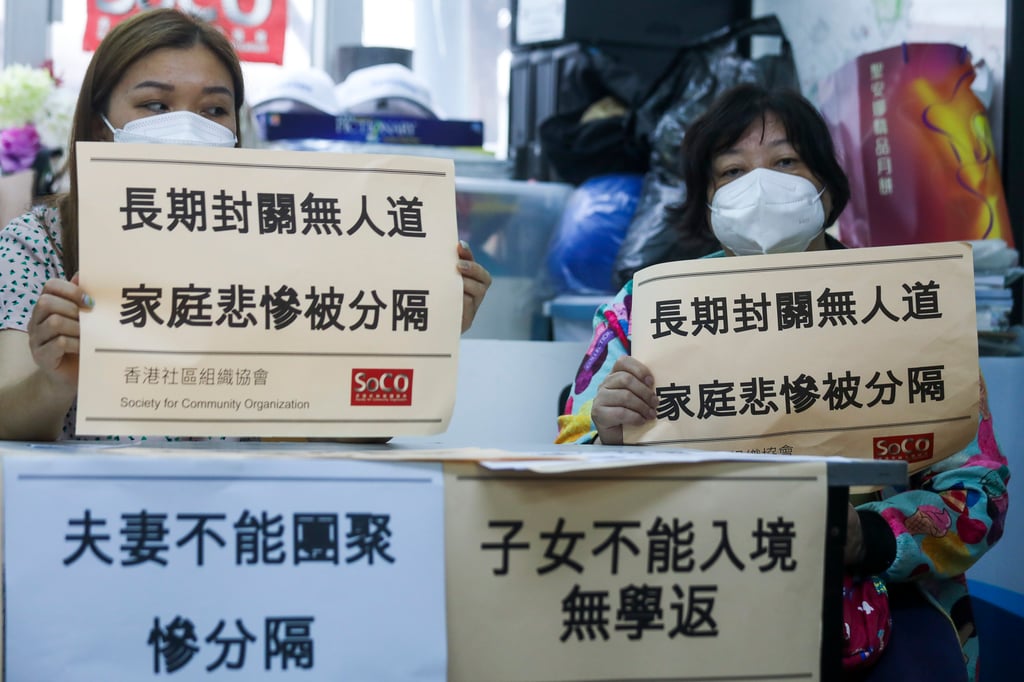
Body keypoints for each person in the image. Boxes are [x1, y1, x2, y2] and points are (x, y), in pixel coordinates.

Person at [556, 83, 1008, 681]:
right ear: (708, 199)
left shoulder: (906, 303)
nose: (760, 186)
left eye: (786, 161)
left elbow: (978, 493)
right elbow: (564, 476)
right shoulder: (646, 310)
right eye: (732, 171)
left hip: (889, 610)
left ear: (826, 184)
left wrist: (869, 536)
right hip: (692, 592)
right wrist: (609, 439)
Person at [0, 8, 491, 442]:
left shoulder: (289, 246)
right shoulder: (38, 243)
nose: (188, 127)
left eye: (214, 110)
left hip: (246, 510)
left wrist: (419, 334)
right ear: (97, 126)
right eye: (155, 105)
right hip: (96, 512)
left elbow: (347, 430)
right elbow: (7, 418)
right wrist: (55, 381)